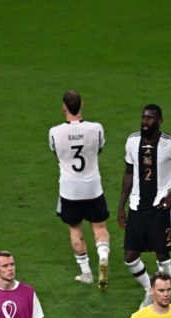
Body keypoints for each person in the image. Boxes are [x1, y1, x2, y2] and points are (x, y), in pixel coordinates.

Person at [117, 103, 171, 307]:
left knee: (162, 255)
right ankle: (150, 290)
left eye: (150, 118)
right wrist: (121, 206)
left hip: (159, 209)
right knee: (130, 257)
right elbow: (129, 172)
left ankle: (164, 301)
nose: (145, 122)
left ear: (159, 120)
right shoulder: (132, 141)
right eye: (143, 117)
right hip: (136, 208)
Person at [49, 90, 111, 289]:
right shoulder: (96, 128)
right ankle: (103, 256)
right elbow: (99, 149)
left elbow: (55, 153)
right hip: (93, 187)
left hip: (69, 191)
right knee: (100, 228)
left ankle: (86, 272)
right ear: (82, 104)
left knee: (75, 230)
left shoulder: (55, 132)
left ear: (64, 107)